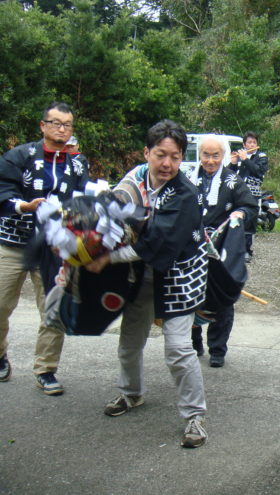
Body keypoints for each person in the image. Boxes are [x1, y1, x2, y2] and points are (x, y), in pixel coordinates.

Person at [84, 120, 209, 448]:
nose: (167, 163)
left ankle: (194, 417)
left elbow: (157, 243)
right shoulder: (134, 179)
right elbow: (111, 210)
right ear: (146, 153)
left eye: (175, 157)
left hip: (180, 272)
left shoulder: (185, 194)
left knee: (179, 348)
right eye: (160, 155)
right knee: (129, 340)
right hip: (141, 272)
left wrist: (107, 258)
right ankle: (131, 393)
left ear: (182, 158)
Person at [0, 102, 88, 393]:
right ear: (43, 125)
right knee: (1, 305)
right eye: (55, 123)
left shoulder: (78, 163)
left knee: (53, 310)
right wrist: (24, 206)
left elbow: (82, 202)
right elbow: (3, 190)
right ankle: (0, 354)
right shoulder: (19, 156)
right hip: (13, 241)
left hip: (54, 248)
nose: (61, 129)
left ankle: (46, 368)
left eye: (67, 124)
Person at [186, 135, 258, 367]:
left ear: (224, 155)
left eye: (215, 155)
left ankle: (217, 349)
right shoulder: (187, 178)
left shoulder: (232, 181)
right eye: (205, 155)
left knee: (222, 299)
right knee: (190, 296)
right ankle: (194, 342)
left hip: (220, 251)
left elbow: (249, 206)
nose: (210, 160)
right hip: (191, 248)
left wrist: (240, 214)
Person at [229, 131, 268, 262]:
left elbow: (259, 172)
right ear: (244, 144)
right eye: (249, 142)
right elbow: (229, 175)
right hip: (238, 193)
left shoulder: (261, 156)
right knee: (235, 219)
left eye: (254, 142)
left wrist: (246, 159)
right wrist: (233, 162)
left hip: (253, 193)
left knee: (250, 222)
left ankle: (247, 250)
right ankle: (234, 249)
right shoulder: (240, 156)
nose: (252, 144)